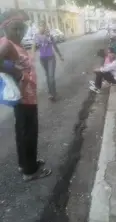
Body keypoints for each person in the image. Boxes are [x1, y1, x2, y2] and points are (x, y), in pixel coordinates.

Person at [0, 9, 51, 181]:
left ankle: (26, 164)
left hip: (26, 97)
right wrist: (19, 74)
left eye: (21, 28)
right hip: (24, 97)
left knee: (23, 132)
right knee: (28, 133)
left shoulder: (15, 43)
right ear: (5, 27)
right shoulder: (6, 43)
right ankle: (30, 171)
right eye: (15, 28)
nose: (20, 32)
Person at [32, 20, 64, 101]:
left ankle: (53, 94)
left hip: (51, 58)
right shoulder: (36, 36)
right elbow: (34, 47)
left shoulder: (49, 35)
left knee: (51, 77)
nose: (42, 27)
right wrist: (32, 57)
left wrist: (60, 55)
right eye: (40, 26)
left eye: (43, 26)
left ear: (45, 26)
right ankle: (51, 93)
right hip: (43, 59)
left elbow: (55, 46)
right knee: (47, 76)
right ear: (38, 27)